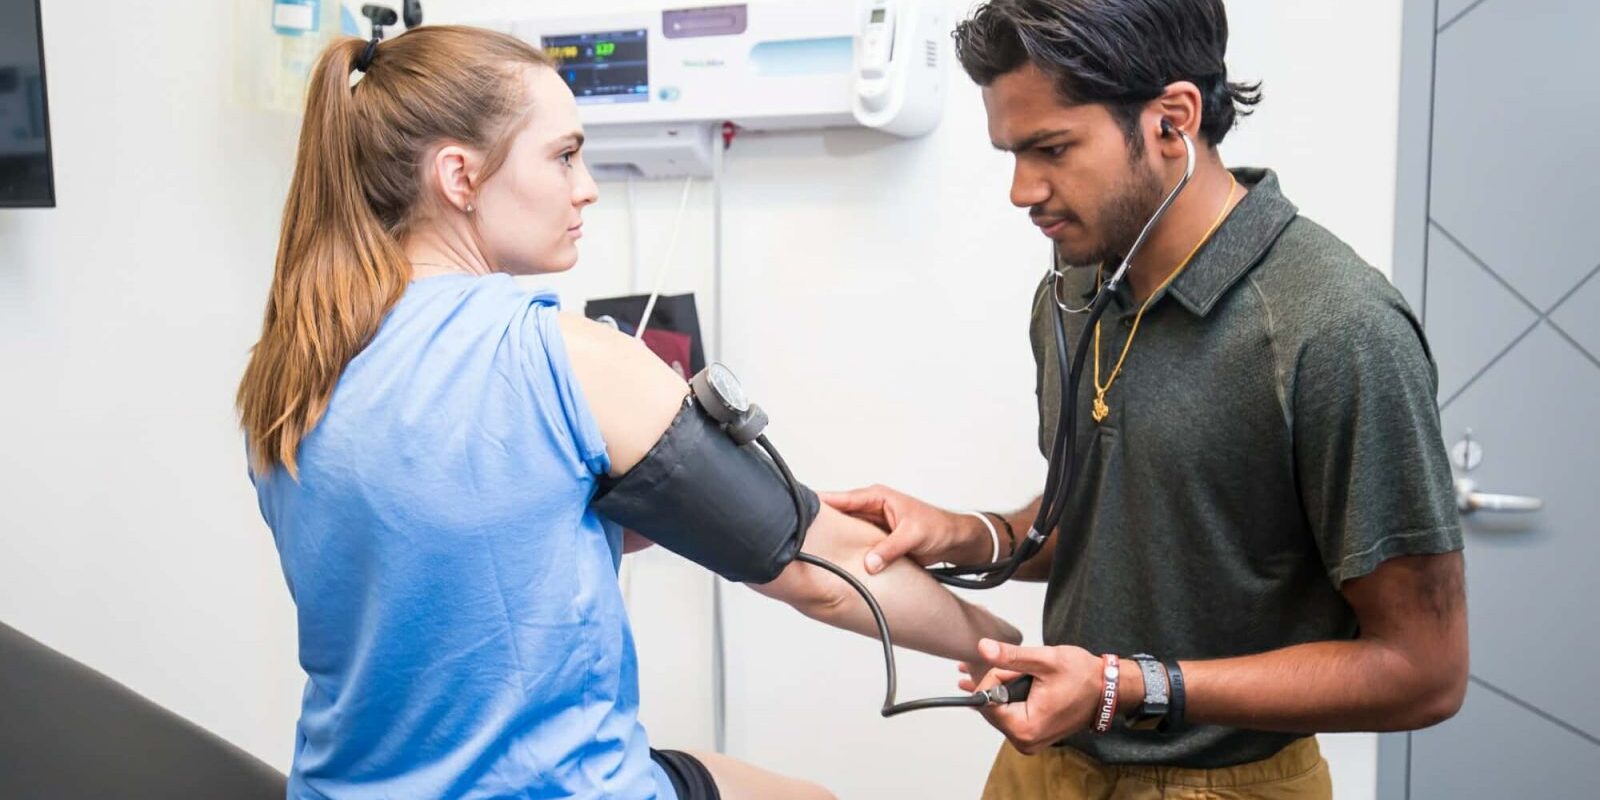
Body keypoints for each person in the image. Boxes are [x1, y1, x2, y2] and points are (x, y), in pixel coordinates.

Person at [235, 26, 1020, 800]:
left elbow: (451, 553)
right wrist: (1001, 647)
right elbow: (818, 569)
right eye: (564, 154)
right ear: (459, 176)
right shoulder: (562, 359)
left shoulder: (292, 372)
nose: (587, 186)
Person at [822, 1, 1468, 797]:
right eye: (1011, 154)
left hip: (1225, 784)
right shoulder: (1074, 289)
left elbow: (1424, 671)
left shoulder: (1336, 328)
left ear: (1172, 119)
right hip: (1043, 767)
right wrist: (965, 534)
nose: (1023, 190)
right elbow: (1114, 522)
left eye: (1051, 148)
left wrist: (1135, 686)